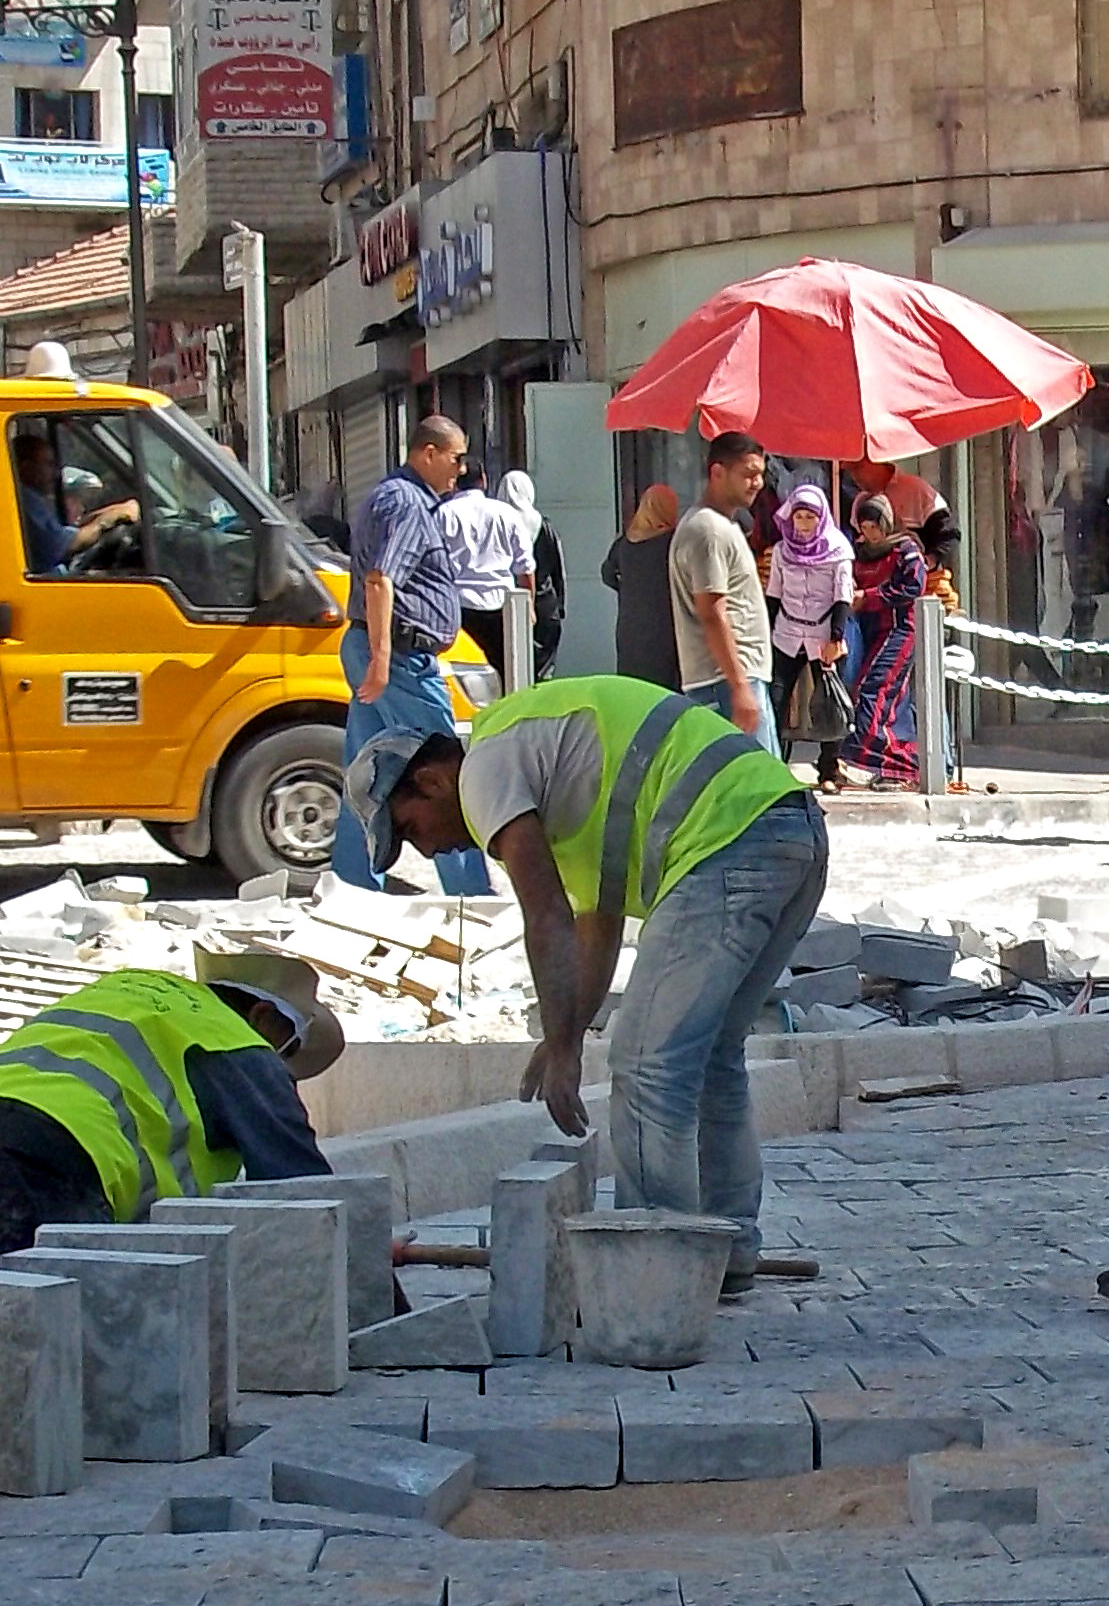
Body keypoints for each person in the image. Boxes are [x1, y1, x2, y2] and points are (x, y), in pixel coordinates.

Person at [347, 676, 826, 1292]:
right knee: (707, 1058)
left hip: (727, 842)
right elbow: (592, 930)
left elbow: (542, 913)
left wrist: (567, 1047)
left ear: (432, 781)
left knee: (648, 1069)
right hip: (788, 829)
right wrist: (564, 1034)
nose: (430, 849)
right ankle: (725, 1258)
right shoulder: (553, 781)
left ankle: (655, 1281)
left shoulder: (485, 768)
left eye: (411, 830)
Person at [0, 952, 344, 1265]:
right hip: (49, 1155)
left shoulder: (132, 994)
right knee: (60, 1348)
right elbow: (304, 1196)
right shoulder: (236, 1041)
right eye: (286, 1049)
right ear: (263, 1016)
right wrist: (370, 1276)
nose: (279, 1068)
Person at [334, 414, 494, 894]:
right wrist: (383, 659)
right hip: (398, 655)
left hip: (376, 647)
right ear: (428, 453)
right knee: (444, 770)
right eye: (455, 457)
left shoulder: (392, 495)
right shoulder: (407, 504)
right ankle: (469, 889)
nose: (461, 469)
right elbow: (381, 579)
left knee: (366, 773)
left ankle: (355, 880)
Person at [670, 432, 779, 756]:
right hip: (725, 681)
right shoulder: (708, 530)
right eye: (748, 474)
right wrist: (739, 687)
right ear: (717, 472)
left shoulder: (722, 526)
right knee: (760, 792)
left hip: (733, 679)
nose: (757, 483)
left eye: (760, 474)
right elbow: (712, 612)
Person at [768, 481, 854, 792]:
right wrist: (767, 630)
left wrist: (835, 637)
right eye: (798, 517)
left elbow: (842, 596)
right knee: (776, 700)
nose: (803, 525)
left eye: (810, 518)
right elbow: (774, 594)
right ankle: (774, 768)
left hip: (823, 635)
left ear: (822, 518)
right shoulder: (781, 550)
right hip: (787, 633)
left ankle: (828, 771)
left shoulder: (838, 550)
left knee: (830, 703)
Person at [843, 493, 926, 788]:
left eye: (874, 527)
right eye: (864, 528)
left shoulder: (906, 550)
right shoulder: (857, 552)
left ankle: (869, 758)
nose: (870, 534)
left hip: (898, 630)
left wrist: (870, 597)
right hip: (866, 632)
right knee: (894, 701)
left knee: (874, 689)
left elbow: (913, 585)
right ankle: (900, 767)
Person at [439, 455, 537, 681]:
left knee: (466, 678)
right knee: (507, 675)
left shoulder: (444, 514)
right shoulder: (506, 513)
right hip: (502, 606)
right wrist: (529, 606)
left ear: (455, 481)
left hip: (461, 607)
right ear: (483, 480)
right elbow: (525, 567)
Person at [603, 485, 683, 689]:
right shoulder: (674, 542)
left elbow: (607, 574)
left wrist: (630, 590)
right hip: (666, 628)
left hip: (630, 628)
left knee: (634, 692)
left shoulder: (624, 543)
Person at [502, 471, 568, 680]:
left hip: (508, 604)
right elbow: (557, 569)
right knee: (544, 670)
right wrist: (561, 605)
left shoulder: (499, 524)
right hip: (545, 603)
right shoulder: (543, 526)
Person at [13, 433, 107, 575]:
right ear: (26, 467)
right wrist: (104, 523)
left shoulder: (30, 499)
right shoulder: (24, 501)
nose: (56, 473)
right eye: (48, 464)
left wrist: (113, 513)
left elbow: (70, 531)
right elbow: (65, 545)